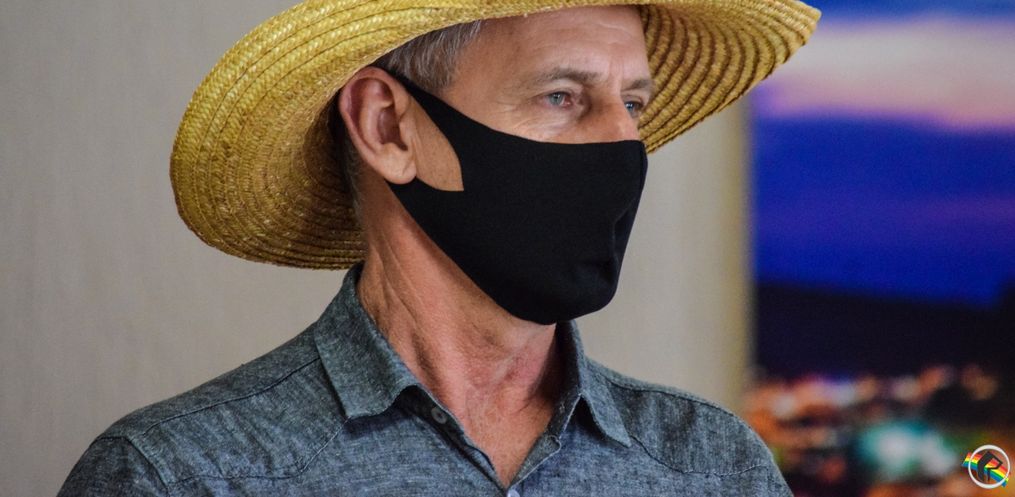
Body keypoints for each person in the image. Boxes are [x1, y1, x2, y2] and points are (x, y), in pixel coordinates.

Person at [58, 0, 819, 495]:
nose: (623, 148)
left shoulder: (713, 468)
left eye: (632, 104)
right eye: (560, 96)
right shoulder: (182, 474)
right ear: (388, 128)